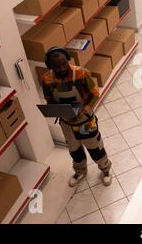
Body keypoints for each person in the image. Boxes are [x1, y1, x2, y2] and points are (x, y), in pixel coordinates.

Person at [41, 47, 112, 187]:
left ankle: (105, 169)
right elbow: (49, 99)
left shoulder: (82, 73)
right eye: (57, 66)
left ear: (68, 59)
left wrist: (84, 110)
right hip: (66, 122)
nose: (61, 68)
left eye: (63, 64)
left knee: (95, 147)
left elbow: (95, 94)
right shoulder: (47, 79)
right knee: (74, 149)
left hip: (85, 121)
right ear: (50, 66)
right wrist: (54, 109)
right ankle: (80, 171)